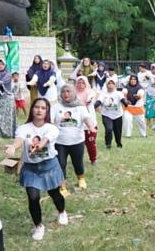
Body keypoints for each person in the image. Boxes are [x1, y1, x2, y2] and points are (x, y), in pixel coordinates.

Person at [7, 98, 68, 241]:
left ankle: (62, 211)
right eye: (36, 107)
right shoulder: (24, 128)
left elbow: (46, 138)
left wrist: (40, 145)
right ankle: (39, 226)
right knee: (33, 197)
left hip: (49, 166)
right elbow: (20, 139)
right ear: (32, 109)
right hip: (31, 169)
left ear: (47, 111)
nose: (39, 110)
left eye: (43, 108)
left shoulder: (51, 128)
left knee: (55, 193)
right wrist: (13, 147)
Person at [52, 84, 95, 193]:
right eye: (63, 92)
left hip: (77, 141)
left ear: (73, 93)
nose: (66, 94)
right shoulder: (56, 107)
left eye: (68, 91)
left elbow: (86, 118)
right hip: (60, 142)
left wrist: (91, 127)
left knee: (78, 162)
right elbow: (50, 122)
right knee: (61, 164)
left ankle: (81, 178)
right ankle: (62, 184)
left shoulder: (80, 107)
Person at [94, 79, 127, 149]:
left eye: (112, 83)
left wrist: (125, 103)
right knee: (109, 129)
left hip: (118, 115)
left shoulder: (119, 93)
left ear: (115, 85)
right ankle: (108, 144)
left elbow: (122, 100)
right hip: (106, 115)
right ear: (106, 85)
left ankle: (119, 143)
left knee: (118, 132)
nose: (110, 85)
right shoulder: (103, 94)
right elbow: (99, 101)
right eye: (109, 83)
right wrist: (94, 106)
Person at [74, 76, 99, 164]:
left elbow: (91, 96)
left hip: (90, 123)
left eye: (83, 82)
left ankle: (93, 159)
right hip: (77, 123)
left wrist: (89, 100)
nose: (81, 85)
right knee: (77, 144)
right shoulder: (73, 94)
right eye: (79, 83)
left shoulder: (90, 92)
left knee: (91, 142)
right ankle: (77, 160)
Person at [123, 73, 147, 138]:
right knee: (127, 120)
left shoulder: (140, 88)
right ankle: (128, 135)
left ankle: (143, 134)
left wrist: (138, 97)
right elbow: (124, 93)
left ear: (137, 80)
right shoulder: (126, 87)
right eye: (131, 79)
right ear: (129, 80)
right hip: (128, 107)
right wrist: (125, 100)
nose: (133, 80)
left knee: (141, 122)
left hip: (138, 108)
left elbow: (140, 94)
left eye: (134, 79)